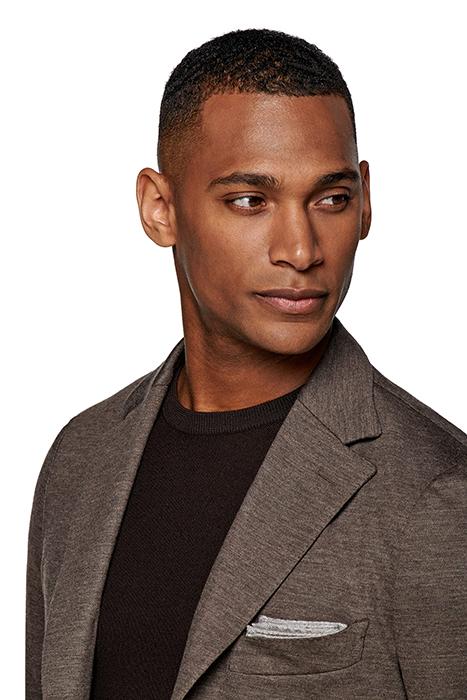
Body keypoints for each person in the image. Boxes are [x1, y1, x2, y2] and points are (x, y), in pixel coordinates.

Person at [26, 27, 466, 700]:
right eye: (249, 201)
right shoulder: (79, 459)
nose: (301, 249)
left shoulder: (436, 492)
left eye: (331, 198)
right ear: (160, 208)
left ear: (365, 201)